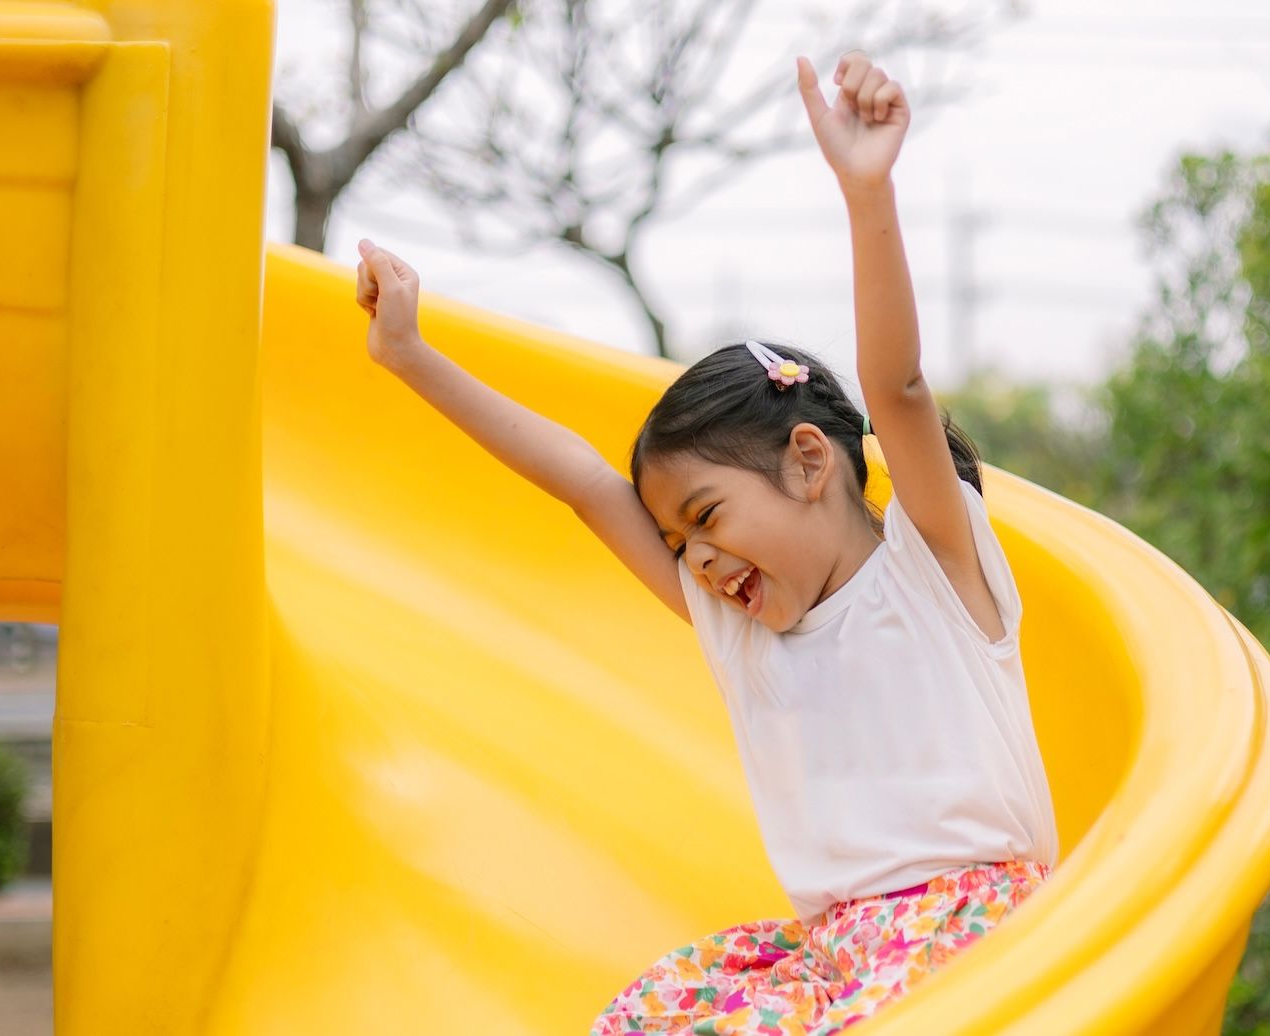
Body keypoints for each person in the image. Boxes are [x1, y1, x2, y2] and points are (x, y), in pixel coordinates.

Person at [355, 49, 1058, 1036]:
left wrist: (866, 191)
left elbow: (894, 388)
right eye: (677, 542)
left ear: (809, 461)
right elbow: (578, 479)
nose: (696, 561)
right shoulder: (741, 628)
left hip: (974, 938)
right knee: (657, 1016)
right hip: (831, 961)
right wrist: (410, 356)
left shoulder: (931, 565)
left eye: (708, 518)